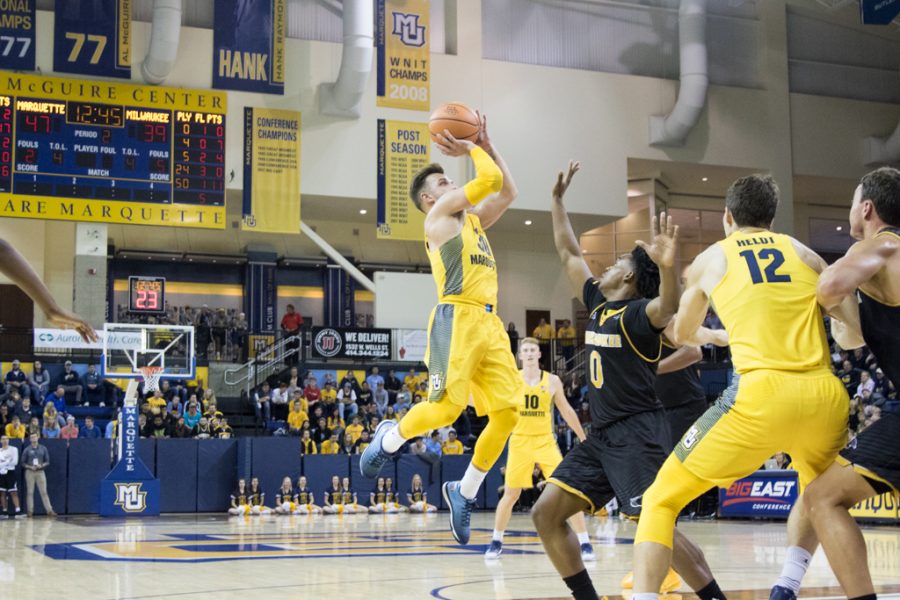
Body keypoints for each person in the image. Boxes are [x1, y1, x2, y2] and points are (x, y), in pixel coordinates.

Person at [628, 174, 862, 600]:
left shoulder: (712, 258)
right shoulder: (805, 254)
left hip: (760, 396)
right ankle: (787, 585)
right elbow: (853, 335)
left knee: (659, 499)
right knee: (820, 495)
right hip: (823, 395)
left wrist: (711, 334)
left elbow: (681, 332)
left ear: (727, 216)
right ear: (771, 218)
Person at [534, 161, 720, 600]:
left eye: (617, 261)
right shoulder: (598, 302)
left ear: (630, 276)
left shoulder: (639, 316)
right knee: (546, 513)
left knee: (657, 529)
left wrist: (669, 268)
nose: (606, 264)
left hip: (638, 435)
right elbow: (568, 252)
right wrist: (557, 202)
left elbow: (668, 306)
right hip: (602, 437)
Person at [361, 113, 521, 545]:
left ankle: (463, 491)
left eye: (451, 180)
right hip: (457, 318)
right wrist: (470, 148)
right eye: (445, 183)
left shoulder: (472, 221)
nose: (452, 185)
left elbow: (508, 189)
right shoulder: (439, 222)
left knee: (508, 414)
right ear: (430, 201)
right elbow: (486, 182)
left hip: (489, 322)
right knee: (446, 411)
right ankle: (390, 438)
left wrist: (486, 141)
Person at [767, 167, 900, 600]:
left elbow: (829, 287)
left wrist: (817, 269)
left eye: (852, 200)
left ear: (867, 208)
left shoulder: (882, 244)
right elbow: (860, 333)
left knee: (822, 497)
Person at [485, 337, 593, 561]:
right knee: (511, 494)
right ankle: (496, 540)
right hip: (520, 440)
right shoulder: (512, 379)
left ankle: (585, 543)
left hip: (545, 441)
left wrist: (583, 437)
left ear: (539, 354)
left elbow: (566, 410)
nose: (530, 353)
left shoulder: (552, 380)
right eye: (525, 350)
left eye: (533, 349)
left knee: (567, 490)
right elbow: (495, 407)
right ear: (520, 356)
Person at [21, 432, 56, 517]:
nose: (33, 439)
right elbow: (22, 463)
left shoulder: (43, 448)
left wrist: (41, 465)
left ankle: (49, 510)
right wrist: (30, 467)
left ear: (38, 438)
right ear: (29, 439)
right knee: (30, 492)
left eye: (34, 437)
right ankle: (30, 511)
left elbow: (47, 461)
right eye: (31, 437)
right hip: (30, 472)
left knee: (44, 492)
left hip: (40, 472)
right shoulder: (27, 449)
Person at [0, 434, 23, 518]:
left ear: (8, 440)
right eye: (3, 439)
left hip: (10, 473)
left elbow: (15, 462)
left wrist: (3, 463)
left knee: (13, 492)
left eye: (6, 439)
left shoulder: (14, 449)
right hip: (1, 473)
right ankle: (4, 512)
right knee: (2, 493)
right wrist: (7, 461)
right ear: (1, 441)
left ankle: (18, 511)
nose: (5, 440)